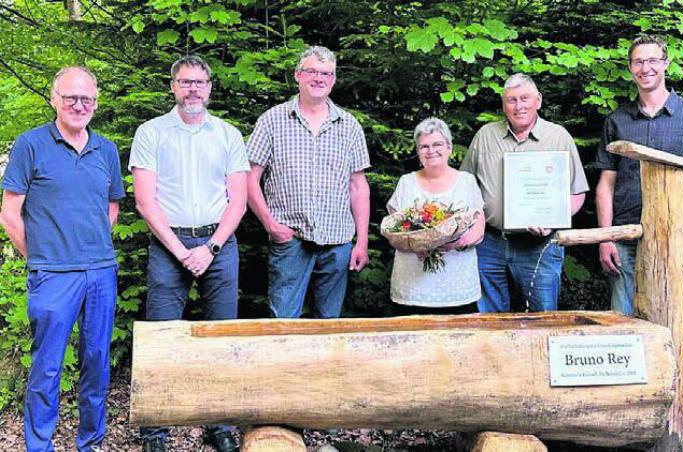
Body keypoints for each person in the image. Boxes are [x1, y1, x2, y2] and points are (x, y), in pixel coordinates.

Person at [595, 34, 683, 438]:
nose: (645, 68)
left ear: (666, 63)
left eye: (652, 61)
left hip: (677, 245)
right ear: (630, 68)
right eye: (637, 62)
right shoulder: (618, 119)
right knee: (626, 328)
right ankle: (633, 422)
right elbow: (606, 183)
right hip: (628, 241)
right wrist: (605, 237)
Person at [0, 66, 124, 452]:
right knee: (47, 367)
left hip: (101, 273)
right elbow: (9, 213)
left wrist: (92, 246)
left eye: (86, 98)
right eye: (70, 97)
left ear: (96, 103)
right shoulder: (30, 145)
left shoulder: (106, 149)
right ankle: (40, 446)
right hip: (53, 275)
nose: (78, 105)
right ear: (53, 98)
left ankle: (92, 443)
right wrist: (40, 258)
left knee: (97, 364)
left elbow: (111, 206)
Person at [129, 55, 249, 452]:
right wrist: (182, 251)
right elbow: (146, 203)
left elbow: (239, 201)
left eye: (200, 82)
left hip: (219, 242)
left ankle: (220, 425)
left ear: (210, 87)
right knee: (162, 337)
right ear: (173, 86)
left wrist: (211, 247)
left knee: (222, 337)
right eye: (185, 82)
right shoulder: (151, 132)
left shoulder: (228, 135)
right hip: (169, 245)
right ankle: (155, 430)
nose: (193, 89)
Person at [246, 46, 370, 319]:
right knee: (283, 322)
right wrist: (270, 224)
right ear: (297, 75)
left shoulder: (349, 126)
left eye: (326, 73)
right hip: (291, 240)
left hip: (337, 241)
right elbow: (249, 178)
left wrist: (361, 241)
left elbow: (358, 186)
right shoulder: (272, 120)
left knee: (329, 324)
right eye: (312, 71)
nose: (319, 78)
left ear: (334, 80)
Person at [461, 73, 589, 313]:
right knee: (488, 319)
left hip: (540, 245)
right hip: (489, 243)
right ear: (503, 104)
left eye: (525, 98)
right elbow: (465, 187)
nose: (519, 105)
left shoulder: (558, 137)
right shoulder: (485, 136)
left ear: (538, 100)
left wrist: (553, 220)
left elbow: (577, 192)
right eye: (511, 100)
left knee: (542, 317)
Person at [387, 118, 485, 314]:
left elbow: (479, 229)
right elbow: (393, 230)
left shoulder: (467, 181)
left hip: (457, 285)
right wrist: (416, 243)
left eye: (438, 144)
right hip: (412, 287)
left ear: (449, 147)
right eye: (424, 146)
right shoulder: (406, 183)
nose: (431, 150)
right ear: (418, 152)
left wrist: (455, 243)